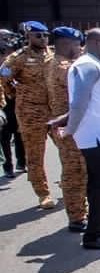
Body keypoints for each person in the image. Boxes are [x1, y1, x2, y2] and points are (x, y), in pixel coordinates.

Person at [50, 28, 100, 250]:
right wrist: (69, 129)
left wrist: (64, 120)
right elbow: (78, 103)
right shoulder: (87, 65)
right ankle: (93, 236)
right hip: (97, 135)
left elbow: (88, 101)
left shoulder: (95, 64)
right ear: (96, 42)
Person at [0, 21, 56, 208]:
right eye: (38, 36)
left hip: (54, 110)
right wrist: (14, 95)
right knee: (35, 155)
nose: (43, 39)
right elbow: (4, 77)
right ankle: (43, 193)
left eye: (45, 35)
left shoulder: (53, 54)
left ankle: (71, 183)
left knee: (70, 150)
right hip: (31, 111)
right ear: (29, 37)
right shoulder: (18, 58)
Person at [45, 26, 88, 232]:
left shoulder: (53, 63)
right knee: (75, 173)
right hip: (72, 127)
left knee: (75, 171)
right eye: (78, 44)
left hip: (68, 125)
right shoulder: (66, 68)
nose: (80, 49)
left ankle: (79, 214)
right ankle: (77, 216)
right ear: (67, 44)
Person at [0, 29, 27, 177]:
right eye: (5, 37)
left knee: (19, 133)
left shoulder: (16, 56)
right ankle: (7, 166)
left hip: (15, 100)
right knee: (4, 136)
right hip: (2, 102)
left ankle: (21, 162)